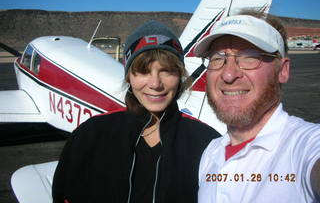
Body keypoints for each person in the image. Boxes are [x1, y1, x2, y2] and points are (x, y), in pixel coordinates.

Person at [52, 20, 220, 203]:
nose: (155, 84)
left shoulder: (206, 143)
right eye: (143, 71)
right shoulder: (89, 135)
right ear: (129, 76)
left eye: (167, 71)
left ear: (180, 76)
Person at [194, 11, 320, 202]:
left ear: (283, 70)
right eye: (217, 58)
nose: (228, 75)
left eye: (249, 57)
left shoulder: (305, 146)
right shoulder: (211, 153)